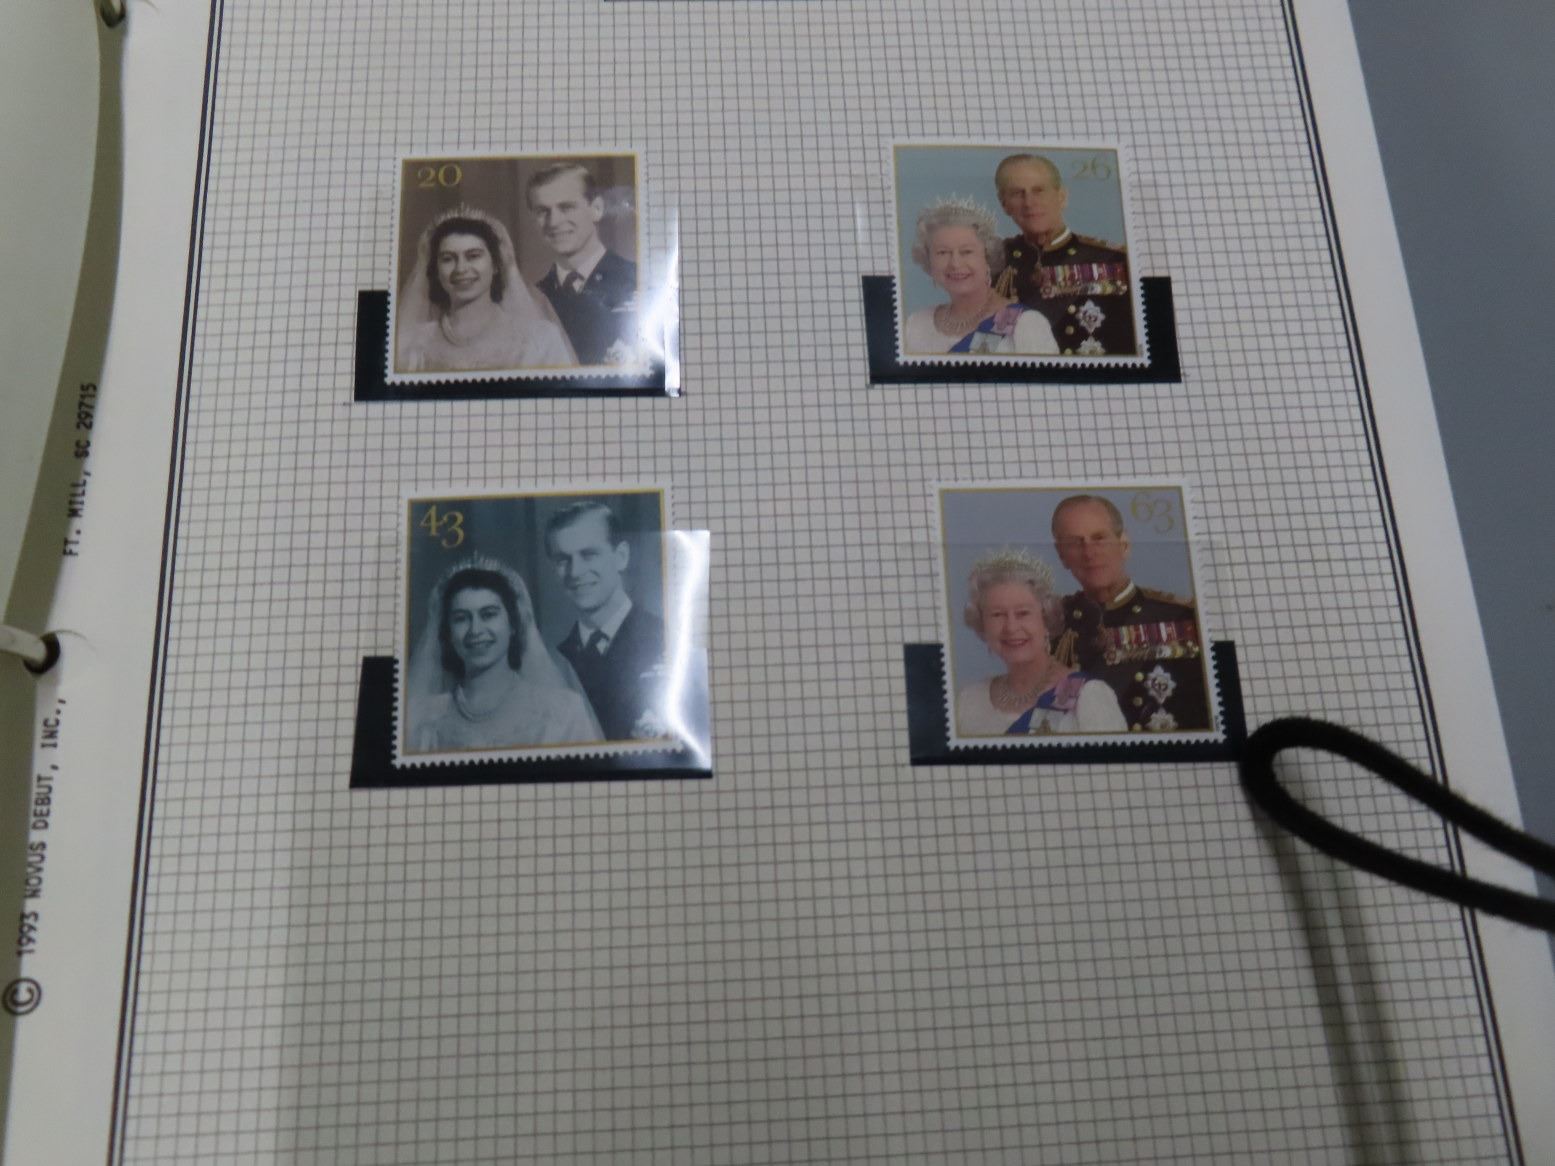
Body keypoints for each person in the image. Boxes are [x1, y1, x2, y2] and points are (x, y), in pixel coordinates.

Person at [1049, 495, 1212, 732]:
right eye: (1075, 543)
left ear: (1124, 544)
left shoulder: (1180, 617)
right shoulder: (1050, 625)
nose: (1089, 553)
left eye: (1099, 538)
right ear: (1061, 554)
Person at [405, 557, 600, 752]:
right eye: (461, 618)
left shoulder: (563, 712)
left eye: (488, 614)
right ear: (447, 631)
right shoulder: (423, 718)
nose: (475, 630)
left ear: (513, 624)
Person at [955, 548, 1127, 736]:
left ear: (1046, 619)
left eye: (1023, 613)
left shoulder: (1088, 696)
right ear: (982, 625)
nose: (1011, 627)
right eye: (997, 615)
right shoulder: (968, 700)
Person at [396, 205, 576, 374]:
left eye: (473, 256)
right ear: (435, 269)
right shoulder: (415, 344)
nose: (461, 269)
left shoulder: (539, 339)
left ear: (496, 265)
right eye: (448, 259)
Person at [991, 154, 1137, 356]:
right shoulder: (992, 260)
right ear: (1004, 204)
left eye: (1039, 190)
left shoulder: (1112, 260)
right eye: (1017, 193)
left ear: (1061, 196)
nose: (1029, 202)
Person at [545, 500, 667, 739]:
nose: (575, 572)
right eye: (562, 560)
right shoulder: (554, 663)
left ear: (621, 556)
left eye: (589, 555)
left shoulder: (666, 639)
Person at [902, 197, 1058, 356]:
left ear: (987, 257)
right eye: (943, 252)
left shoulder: (1026, 324)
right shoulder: (916, 325)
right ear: (928, 261)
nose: (955, 263)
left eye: (966, 252)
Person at [529, 162, 640, 365]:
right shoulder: (532, 299)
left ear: (596, 209)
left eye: (566, 207)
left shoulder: (637, 279)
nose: (553, 222)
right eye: (542, 211)